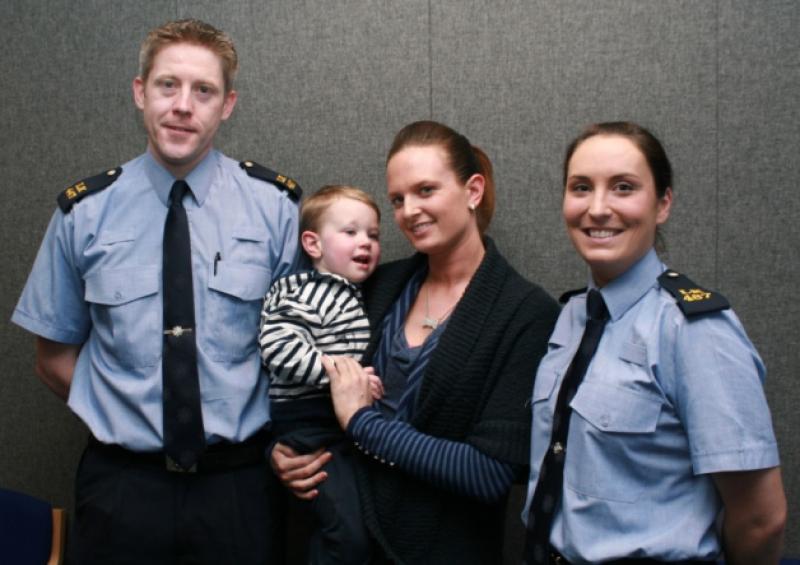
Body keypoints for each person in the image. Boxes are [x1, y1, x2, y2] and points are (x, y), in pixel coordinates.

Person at [11, 19, 301, 564]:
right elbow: (51, 358)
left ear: (228, 104)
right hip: (122, 487)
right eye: (168, 85)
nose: (183, 105)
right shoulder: (84, 212)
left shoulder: (275, 209)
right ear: (141, 92)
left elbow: (295, 355)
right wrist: (127, 412)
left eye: (204, 90)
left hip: (238, 488)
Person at [272, 120, 561, 564]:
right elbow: (307, 380)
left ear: (473, 191)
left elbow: (489, 475)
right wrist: (286, 450)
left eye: (426, 190)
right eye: (397, 199)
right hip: (347, 539)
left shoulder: (525, 313)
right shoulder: (377, 285)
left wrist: (362, 423)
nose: (409, 211)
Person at [522, 121, 787, 564]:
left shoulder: (695, 330)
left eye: (624, 187)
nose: (598, 208)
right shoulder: (571, 317)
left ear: (663, 203)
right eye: (581, 187)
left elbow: (762, 518)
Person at [259, 184, 382, 564]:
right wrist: (345, 379)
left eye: (374, 235)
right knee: (346, 533)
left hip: (339, 428)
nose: (365, 243)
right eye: (350, 232)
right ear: (312, 245)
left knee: (357, 525)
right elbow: (278, 348)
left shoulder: (353, 292)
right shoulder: (301, 291)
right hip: (308, 426)